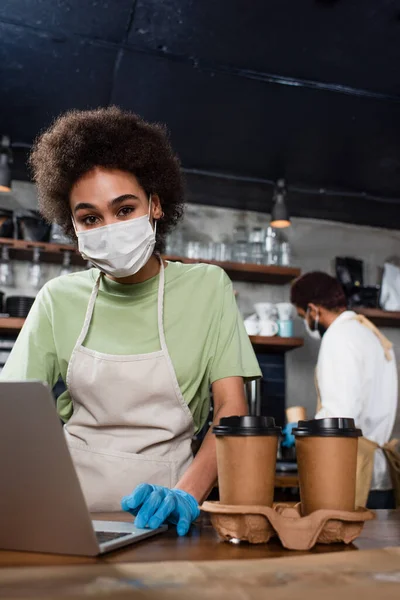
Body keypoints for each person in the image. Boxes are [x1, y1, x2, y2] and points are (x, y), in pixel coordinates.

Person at [0, 107, 261, 534]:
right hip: (70, 518)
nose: (110, 227)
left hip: (169, 515)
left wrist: (187, 495)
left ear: (155, 205)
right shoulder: (57, 300)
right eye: (90, 219)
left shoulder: (206, 288)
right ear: (76, 232)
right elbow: (10, 415)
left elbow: (231, 412)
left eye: (124, 210)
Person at [287, 271, 399, 509]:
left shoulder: (338, 338)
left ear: (313, 310)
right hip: (379, 472)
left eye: (302, 315)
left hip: (353, 472)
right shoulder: (369, 333)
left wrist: (302, 432)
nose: (306, 322)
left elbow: (339, 417)